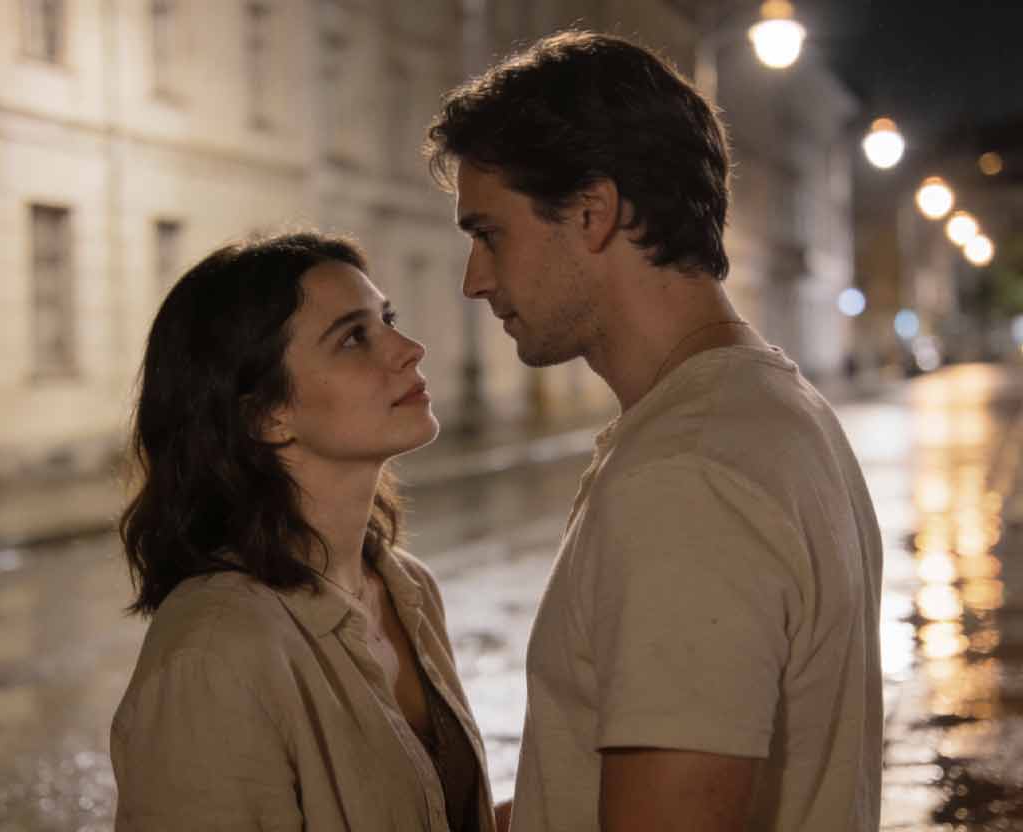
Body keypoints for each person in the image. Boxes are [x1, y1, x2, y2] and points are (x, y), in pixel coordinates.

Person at [425, 30, 883, 832]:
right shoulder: (776, 410)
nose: (474, 280)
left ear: (593, 212)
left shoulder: (687, 473)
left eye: (488, 233)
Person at [111, 232, 494, 831]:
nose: (409, 349)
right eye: (353, 338)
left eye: (387, 320)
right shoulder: (212, 655)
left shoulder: (407, 589)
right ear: (266, 416)